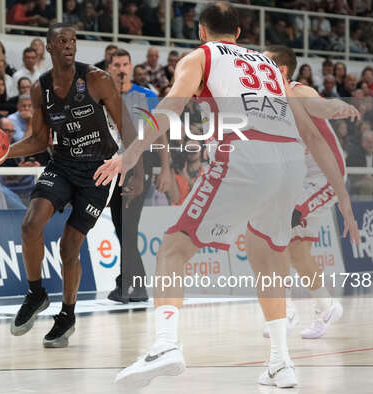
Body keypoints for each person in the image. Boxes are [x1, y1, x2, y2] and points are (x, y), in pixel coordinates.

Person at [94, 2, 357, 388]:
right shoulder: (268, 64)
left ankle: (166, 344)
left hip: (244, 154)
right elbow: (305, 116)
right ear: (238, 33)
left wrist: (131, 152)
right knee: (267, 256)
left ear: (202, 31)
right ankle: (281, 363)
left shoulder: (202, 55)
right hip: (289, 162)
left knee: (172, 248)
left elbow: (170, 107)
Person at [0, 24, 137, 348]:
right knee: (31, 224)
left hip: (97, 171)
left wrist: (134, 170)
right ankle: (36, 294)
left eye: (73, 40)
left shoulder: (97, 79)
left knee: (68, 246)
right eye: (62, 41)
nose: (69, 46)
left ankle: (67, 315)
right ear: (49, 47)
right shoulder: (40, 88)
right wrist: (2, 153)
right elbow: (36, 140)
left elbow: (127, 127)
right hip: (61, 164)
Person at [263, 45, 359, 339]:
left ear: (281, 70)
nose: (255, 65)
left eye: (262, 61)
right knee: (297, 251)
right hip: (300, 178)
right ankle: (326, 306)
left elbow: (318, 105)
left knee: (275, 229)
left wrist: (337, 107)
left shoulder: (296, 90)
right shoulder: (265, 98)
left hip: (325, 176)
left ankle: (286, 310)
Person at [105, 48, 170, 303]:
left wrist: (165, 168)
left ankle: (131, 286)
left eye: (125, 64)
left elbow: (160, 132)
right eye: (116, 64)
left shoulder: (146, 96)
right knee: (123, 227)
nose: (121, 69)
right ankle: (131, 285)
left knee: (128, 227)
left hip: (136, 168)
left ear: (131, 67)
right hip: (110, 167)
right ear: (109, 68)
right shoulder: (103, 96)